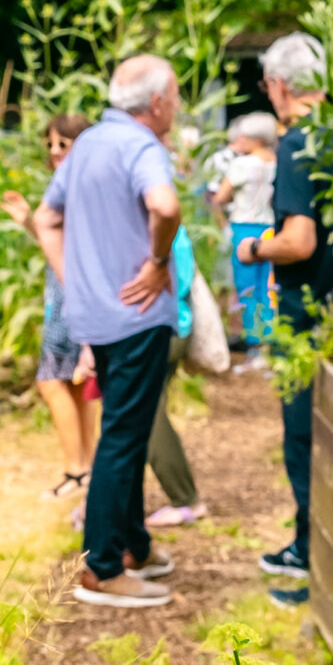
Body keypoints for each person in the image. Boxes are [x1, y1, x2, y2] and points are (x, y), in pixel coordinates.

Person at [31, 57, 185, 609]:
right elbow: (165, 204)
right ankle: (100, 566)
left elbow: (45, 219)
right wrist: (158, 261)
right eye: (176, 95)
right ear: (158, 103)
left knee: (128, 431)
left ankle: (134, 547)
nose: (179, 104)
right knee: (123, 437)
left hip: (97, 314)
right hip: (137, 315)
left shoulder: (90, 142)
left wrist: (77, 283)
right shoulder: (141, 146)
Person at [234, 33, 333, 591]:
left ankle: (309, 556)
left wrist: (254, 248)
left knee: (304, 436)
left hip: (305, 318)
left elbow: (299, 240)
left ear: (278, 86)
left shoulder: (300, 143)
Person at [0, 114, 98, 498]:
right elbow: (57, 238)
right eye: (50, 145)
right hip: (67, 292)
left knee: (51, 380)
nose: (55, 151)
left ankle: (76, 472)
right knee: (76, 382)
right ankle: (85, 469)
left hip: (73, 295)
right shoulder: (76, 183)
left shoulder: (78, 186)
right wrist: (29, 220)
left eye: (63, 143)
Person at [146, 225, 209, 527]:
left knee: (147, 415)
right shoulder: (169, 226)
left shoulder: (159, 225)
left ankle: (185, 499)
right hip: (171, 326)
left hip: (164, 328)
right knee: (146, 411)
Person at [213, 113, 281, 352]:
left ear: (256, 139)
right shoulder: (276, 162)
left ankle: (253, 339)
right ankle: (271, 338)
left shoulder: (242, 164)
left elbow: (221, 196)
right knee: (268, 285)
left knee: (247, 286)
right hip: (271, 230)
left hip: (245, 228)